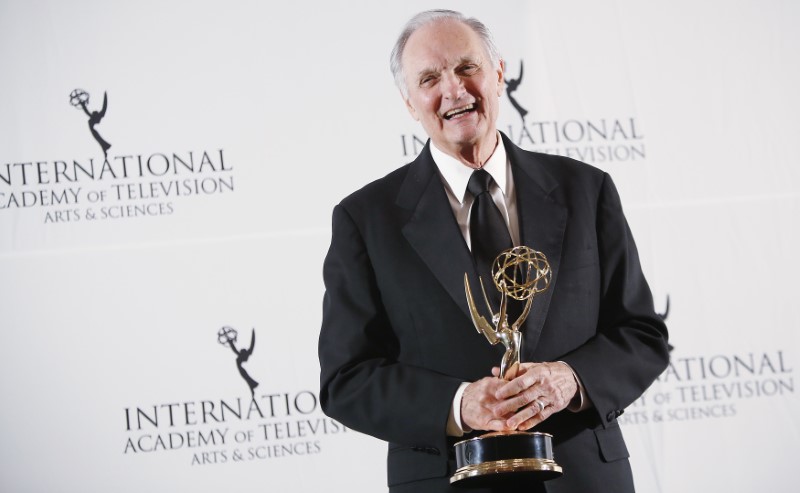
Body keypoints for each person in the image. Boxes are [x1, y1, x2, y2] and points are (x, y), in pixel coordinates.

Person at [318, 9, 669, 493]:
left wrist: (571, 379)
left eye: (467, 68)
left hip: (584, 480)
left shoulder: (586, 190)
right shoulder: (366, 219)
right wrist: (459, 404)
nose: (454, 91)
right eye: (429, 78)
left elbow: (642, 334)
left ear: (499, 73)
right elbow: (347, 380)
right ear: (409, 102)